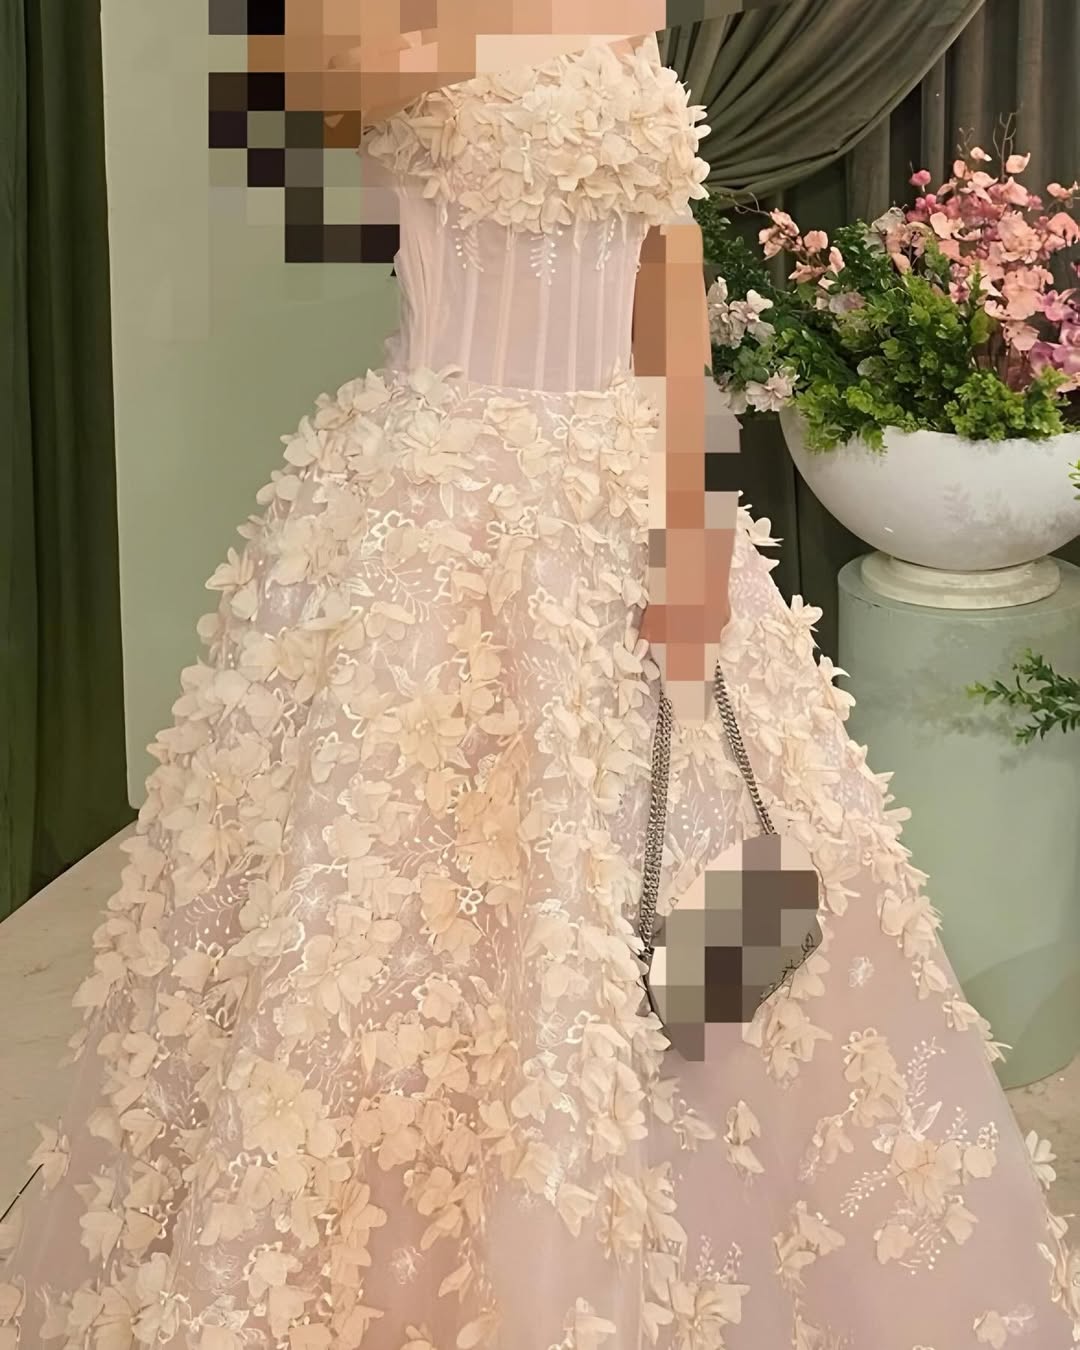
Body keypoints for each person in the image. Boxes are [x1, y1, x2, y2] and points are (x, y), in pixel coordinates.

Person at [2, 6, 1077, 1347]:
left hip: (625, 485)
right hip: (439, 505)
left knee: (700, 871)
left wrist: (696, 507)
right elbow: (287, 102)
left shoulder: (633, 14)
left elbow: (666, 264)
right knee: (405, 901)